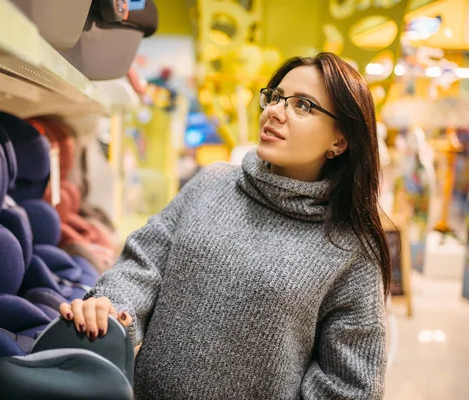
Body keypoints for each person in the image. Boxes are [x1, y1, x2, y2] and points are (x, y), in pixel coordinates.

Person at [59, 52, 390, 399]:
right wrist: (111, 307)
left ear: (340, 140)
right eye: (275, 97)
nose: (275, 111)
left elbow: (350, 386)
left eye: (303, 106)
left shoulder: (350, 250)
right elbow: (144, 264)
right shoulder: (212, 183)